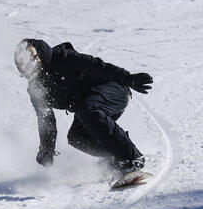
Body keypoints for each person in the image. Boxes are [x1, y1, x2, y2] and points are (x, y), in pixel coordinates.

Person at [14, 39, 153, 174]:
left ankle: (132, 158)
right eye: (25, 67)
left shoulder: (63, 58)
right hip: (88, 107)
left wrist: (128, 78)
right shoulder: (36, 88)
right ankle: (114, 156)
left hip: (114, 90)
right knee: (76, 137)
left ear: (38, 52)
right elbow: (46, 120)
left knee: (89, 110)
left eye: (33, 59)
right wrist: (47, 150)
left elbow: (98, 67)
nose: (32, 66)